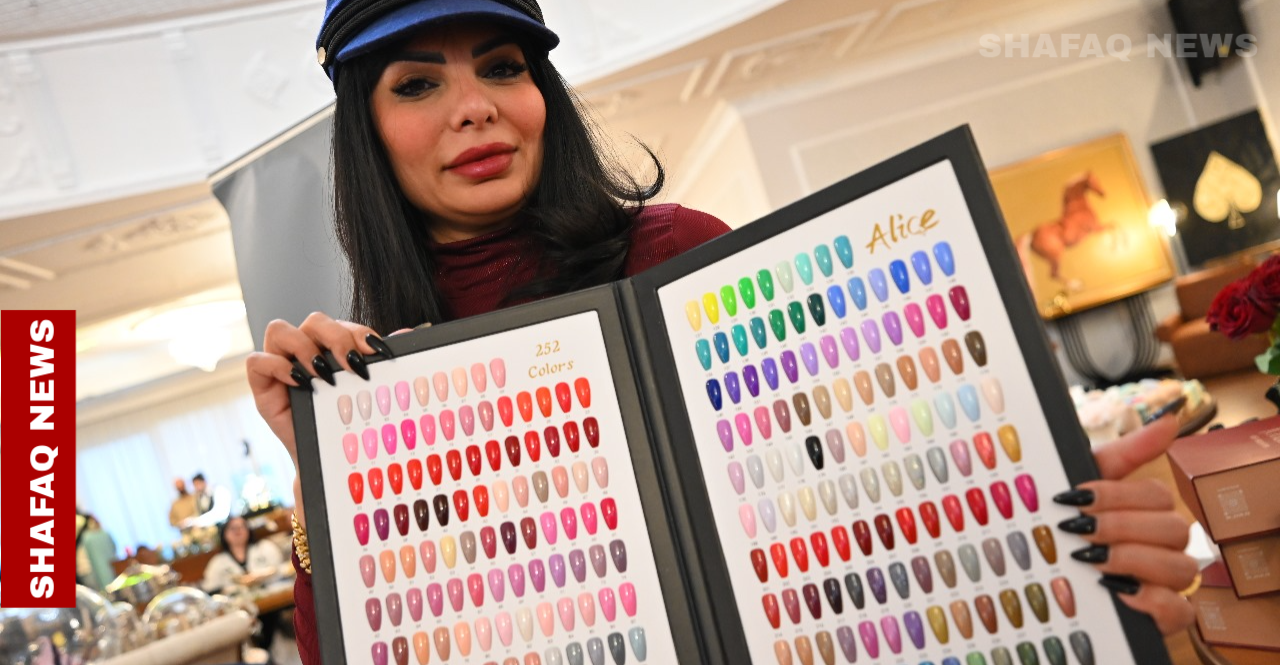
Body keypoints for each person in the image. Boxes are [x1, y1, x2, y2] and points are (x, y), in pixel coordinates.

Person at [245, 1, 1199, 662]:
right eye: (417, 84)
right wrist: (323, 470)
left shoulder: (678, 251)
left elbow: (865, 479)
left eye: (503, 66)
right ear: (365, 131)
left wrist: (1032, 526)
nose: (477, 105)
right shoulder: (374, 372)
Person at [203, 516, 289, 652]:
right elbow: (211, 590)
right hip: (239, 609)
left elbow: (281, 570)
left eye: (241, 526)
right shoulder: (217, 562)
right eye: (232, 528)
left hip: (272, 600)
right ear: (224, 534)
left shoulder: (265, 547)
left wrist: (260, 576)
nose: (238, 531)